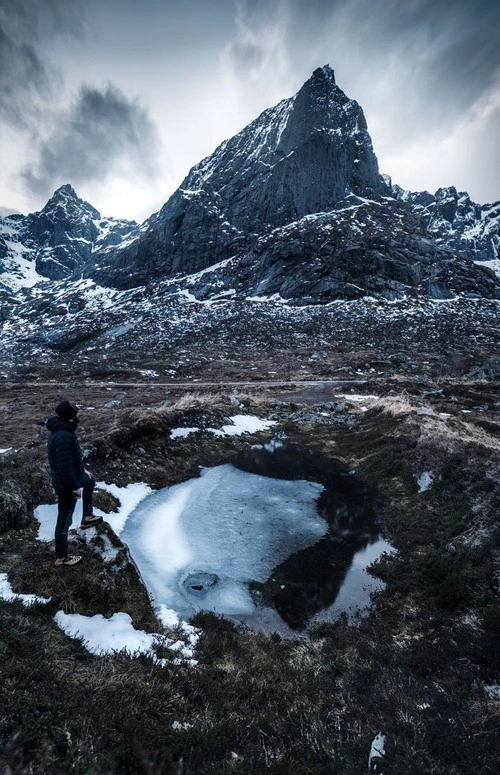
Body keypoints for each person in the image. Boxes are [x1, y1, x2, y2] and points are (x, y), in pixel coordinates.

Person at [46, 400, 101, 567]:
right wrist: (75, 488)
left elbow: (72, 458)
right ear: (69, 418)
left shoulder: (65, 431)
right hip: (66, 483)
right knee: (65, 518)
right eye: (75, 415)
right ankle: (62, 558)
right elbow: (64, 467)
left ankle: (87, 517)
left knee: (90, 481)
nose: (78, 418)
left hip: (74, 476)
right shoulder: (63, 436)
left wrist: (82, 470)